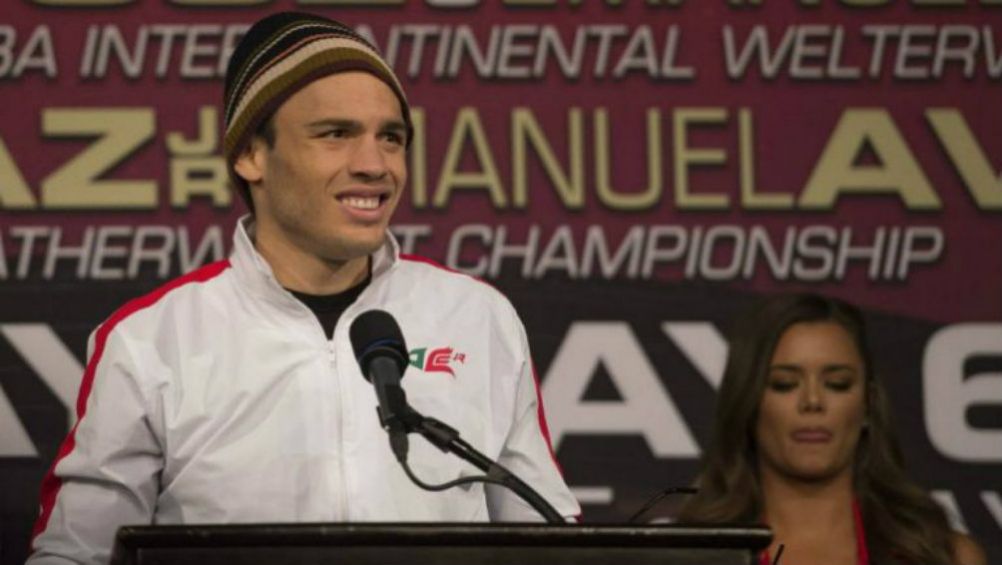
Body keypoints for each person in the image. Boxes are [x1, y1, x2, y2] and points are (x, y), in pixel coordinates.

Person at [27, 12, 580, 565]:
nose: (375, 165)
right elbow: (75, 555)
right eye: (336, 134)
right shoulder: (150, 339)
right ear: (250, 155)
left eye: (391, 137)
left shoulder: (478, 316)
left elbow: (551, 542)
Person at [677, 293, 985, 565]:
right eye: (785, 384)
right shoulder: (688, 557)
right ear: (748, 403)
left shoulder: (945, 557)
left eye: (837, 383)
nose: (813, 401)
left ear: (867, 405)